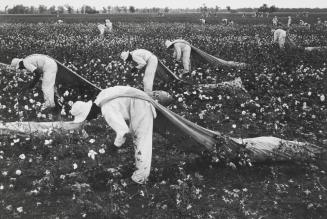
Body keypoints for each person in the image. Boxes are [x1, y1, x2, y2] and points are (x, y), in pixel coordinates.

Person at [70, 86, 157, 184]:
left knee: (141, 140)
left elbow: (123, 131)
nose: (90, 119)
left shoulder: (106, 108)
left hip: (141, 104)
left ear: (89, 111)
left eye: (87, 117)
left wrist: (115, 146)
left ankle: (140, 178)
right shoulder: (101, 97)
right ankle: (140, 170)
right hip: (139, 100)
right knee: (137, 136)